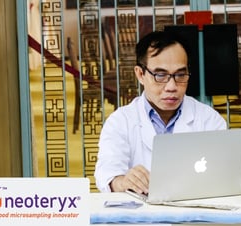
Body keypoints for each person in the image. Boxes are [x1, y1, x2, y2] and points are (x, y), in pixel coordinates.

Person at [94, 31, 227, 193]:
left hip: (195, 212)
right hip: (141, 213)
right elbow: (107, 175)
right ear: (140, 74)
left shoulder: (208, 119)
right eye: (160, 75)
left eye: (180, 75)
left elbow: (224, 175)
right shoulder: (120, 121)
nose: (171, 86)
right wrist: (123, 182)